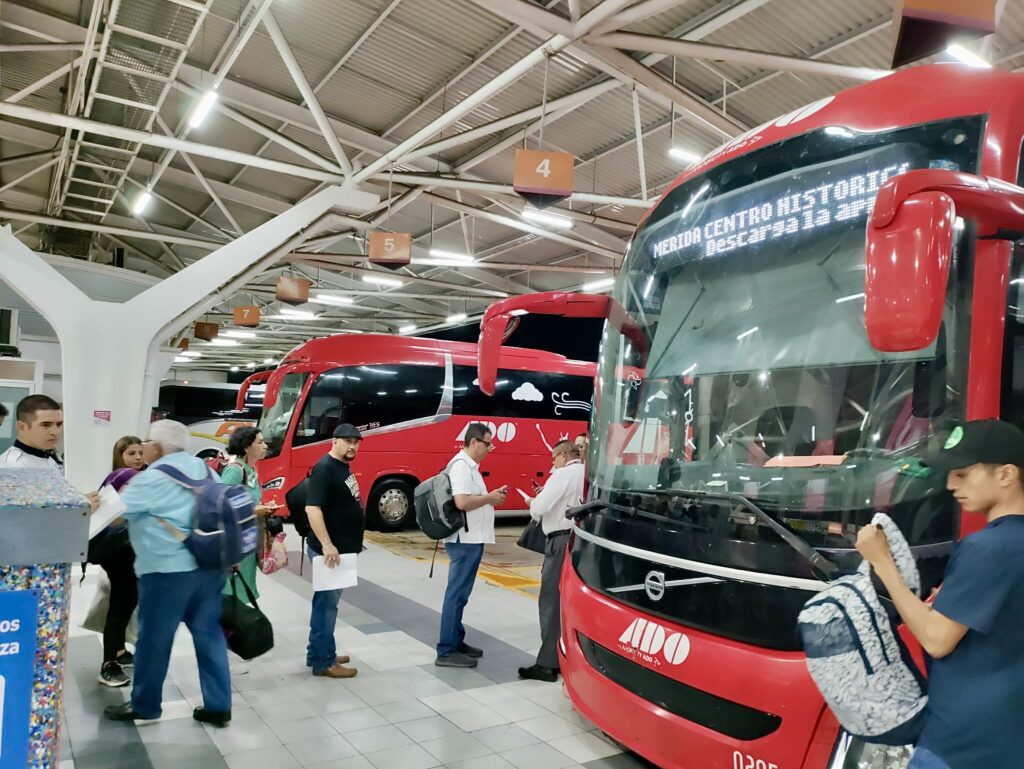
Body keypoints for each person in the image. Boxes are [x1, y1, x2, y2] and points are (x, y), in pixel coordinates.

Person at [856, 419, 1024, 769]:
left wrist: (882, 563)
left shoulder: (987, 547)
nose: (950, 484)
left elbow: (936, 639)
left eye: (962, 474)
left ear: (1006, 475)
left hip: (960, 745)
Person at [104, 420, 232, 727]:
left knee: (154, 641)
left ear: (158, 448)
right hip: (208, 568)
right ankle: (218, 705)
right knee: (209, 635)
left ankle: (145, 705)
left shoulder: (152, 478)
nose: (144, 447)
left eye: (147, 442)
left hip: (166, 573)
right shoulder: (206, 470)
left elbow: (116, 515)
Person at [435, 422, 507, 668]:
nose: (490, 448)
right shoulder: (462, 467)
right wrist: (491, 498)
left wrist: (490, 496)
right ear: (474, 442)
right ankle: (446, 650)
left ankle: (455, 640)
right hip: (464, 540)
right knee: (456, 594)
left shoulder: (470, 467)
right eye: (488, 443)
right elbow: (463, 502)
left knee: (461, 595)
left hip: (471, 538)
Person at [518, 440, 584, 682]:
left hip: (559, 542)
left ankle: (547, 664)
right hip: (579, 541)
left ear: (564, 455)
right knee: (567, 602)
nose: (552, 462)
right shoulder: (586, 472)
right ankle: (566, 656)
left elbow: (540, 508)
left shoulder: (562, 475)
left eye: (554, 457)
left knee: (550, 601)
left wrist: (532, 503)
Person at [304, 424, 364, 679]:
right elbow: (312, 509)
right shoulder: (326, 468)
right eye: (347, 441)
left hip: (340, 551)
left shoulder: (341, 467)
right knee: (326, 606)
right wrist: (328, 545)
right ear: (334, 441)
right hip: (329, 552)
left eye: (356, 441)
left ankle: (319, 650)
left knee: (327, 604)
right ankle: (323, 661)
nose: (352, 446)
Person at [220, 426, 277, 675]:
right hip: (235, 542)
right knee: (230, 595)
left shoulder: (252, 470)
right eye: (260, 442)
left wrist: (262, 507)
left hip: (247, 541)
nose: (265, 446)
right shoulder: (235, 471)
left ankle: (231, 646)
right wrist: (257, 511)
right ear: (246, 446)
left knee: (241, 592)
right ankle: (221, 651)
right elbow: (221, 505)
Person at [93, 466, 139, 688]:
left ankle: (119, 651)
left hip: (128, 562)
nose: (138, 457)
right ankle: (108, 665)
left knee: (126, 605)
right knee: (120, 609)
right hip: (120, 561)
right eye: (131, 453)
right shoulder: (112, 511)